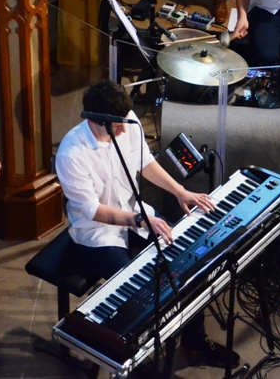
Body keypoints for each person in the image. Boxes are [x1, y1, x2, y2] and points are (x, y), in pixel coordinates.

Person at [55, 80, 237, 367]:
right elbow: (91, 210)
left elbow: (145, 161)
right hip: (96, 233)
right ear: (95, 120)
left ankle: (194, 341)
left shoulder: (126, 120)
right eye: (118, 126)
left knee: (188, 259)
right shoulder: (71, 153)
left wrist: (180, 191)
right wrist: (138, 218)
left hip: (137, 215)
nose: (124, 130)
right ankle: (135, 359)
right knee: (138, 292)